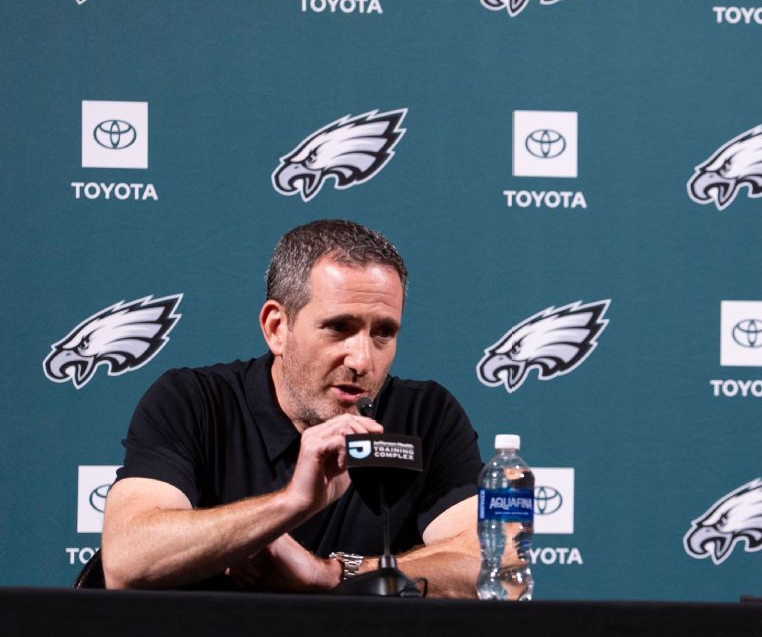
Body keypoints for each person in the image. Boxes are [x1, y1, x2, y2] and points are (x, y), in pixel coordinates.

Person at [102, 219, 483, 596]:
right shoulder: (193, 401)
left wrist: (331, 574)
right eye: (339, 328)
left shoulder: (426, 415)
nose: (362, 360)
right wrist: (290, 503)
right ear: (276, 328)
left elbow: (492, 566)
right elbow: (127, 561)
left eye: (383, 332)